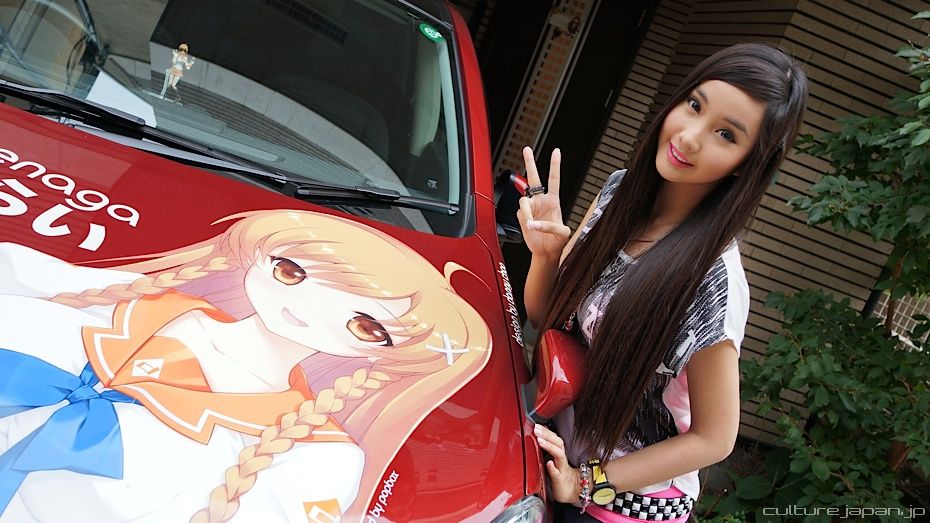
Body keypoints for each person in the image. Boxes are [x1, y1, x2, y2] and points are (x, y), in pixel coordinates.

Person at [0, 209, 491, 522]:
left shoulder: (319, 457)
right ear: (257, 258)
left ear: (382, 352)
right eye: (291, 271)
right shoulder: (133, 304)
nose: (308, 308)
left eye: (365, 325)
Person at [516, 43, 808, 522]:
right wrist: (546, 257)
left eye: (726, 134)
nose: (690, 137)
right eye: (694, 105)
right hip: (552, 455)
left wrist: (587, 483)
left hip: (621, 507)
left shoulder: (712, 281)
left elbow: (716, 437)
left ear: (748, 162)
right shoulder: (618, 193)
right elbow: (545, 317)